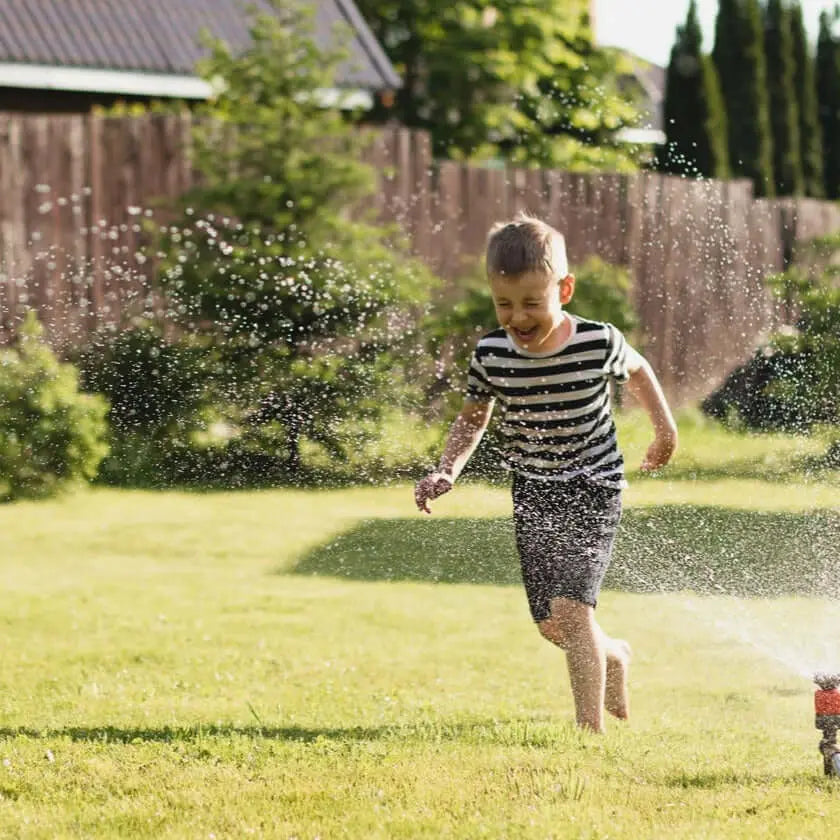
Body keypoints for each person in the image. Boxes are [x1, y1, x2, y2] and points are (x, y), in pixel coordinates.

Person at [414, 213, 677, 733]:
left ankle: (587, 732)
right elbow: (473, 418)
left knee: (573, 612)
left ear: (565, 288)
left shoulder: (597, 341)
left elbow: (640, 371)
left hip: (593, 486)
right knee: (553, 624)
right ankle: (615, 656)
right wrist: (447, 470)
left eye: (532, 302)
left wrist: (664, 432)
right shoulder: (491, 353)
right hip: (533, 489)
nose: (518, 315)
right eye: (504, 303)